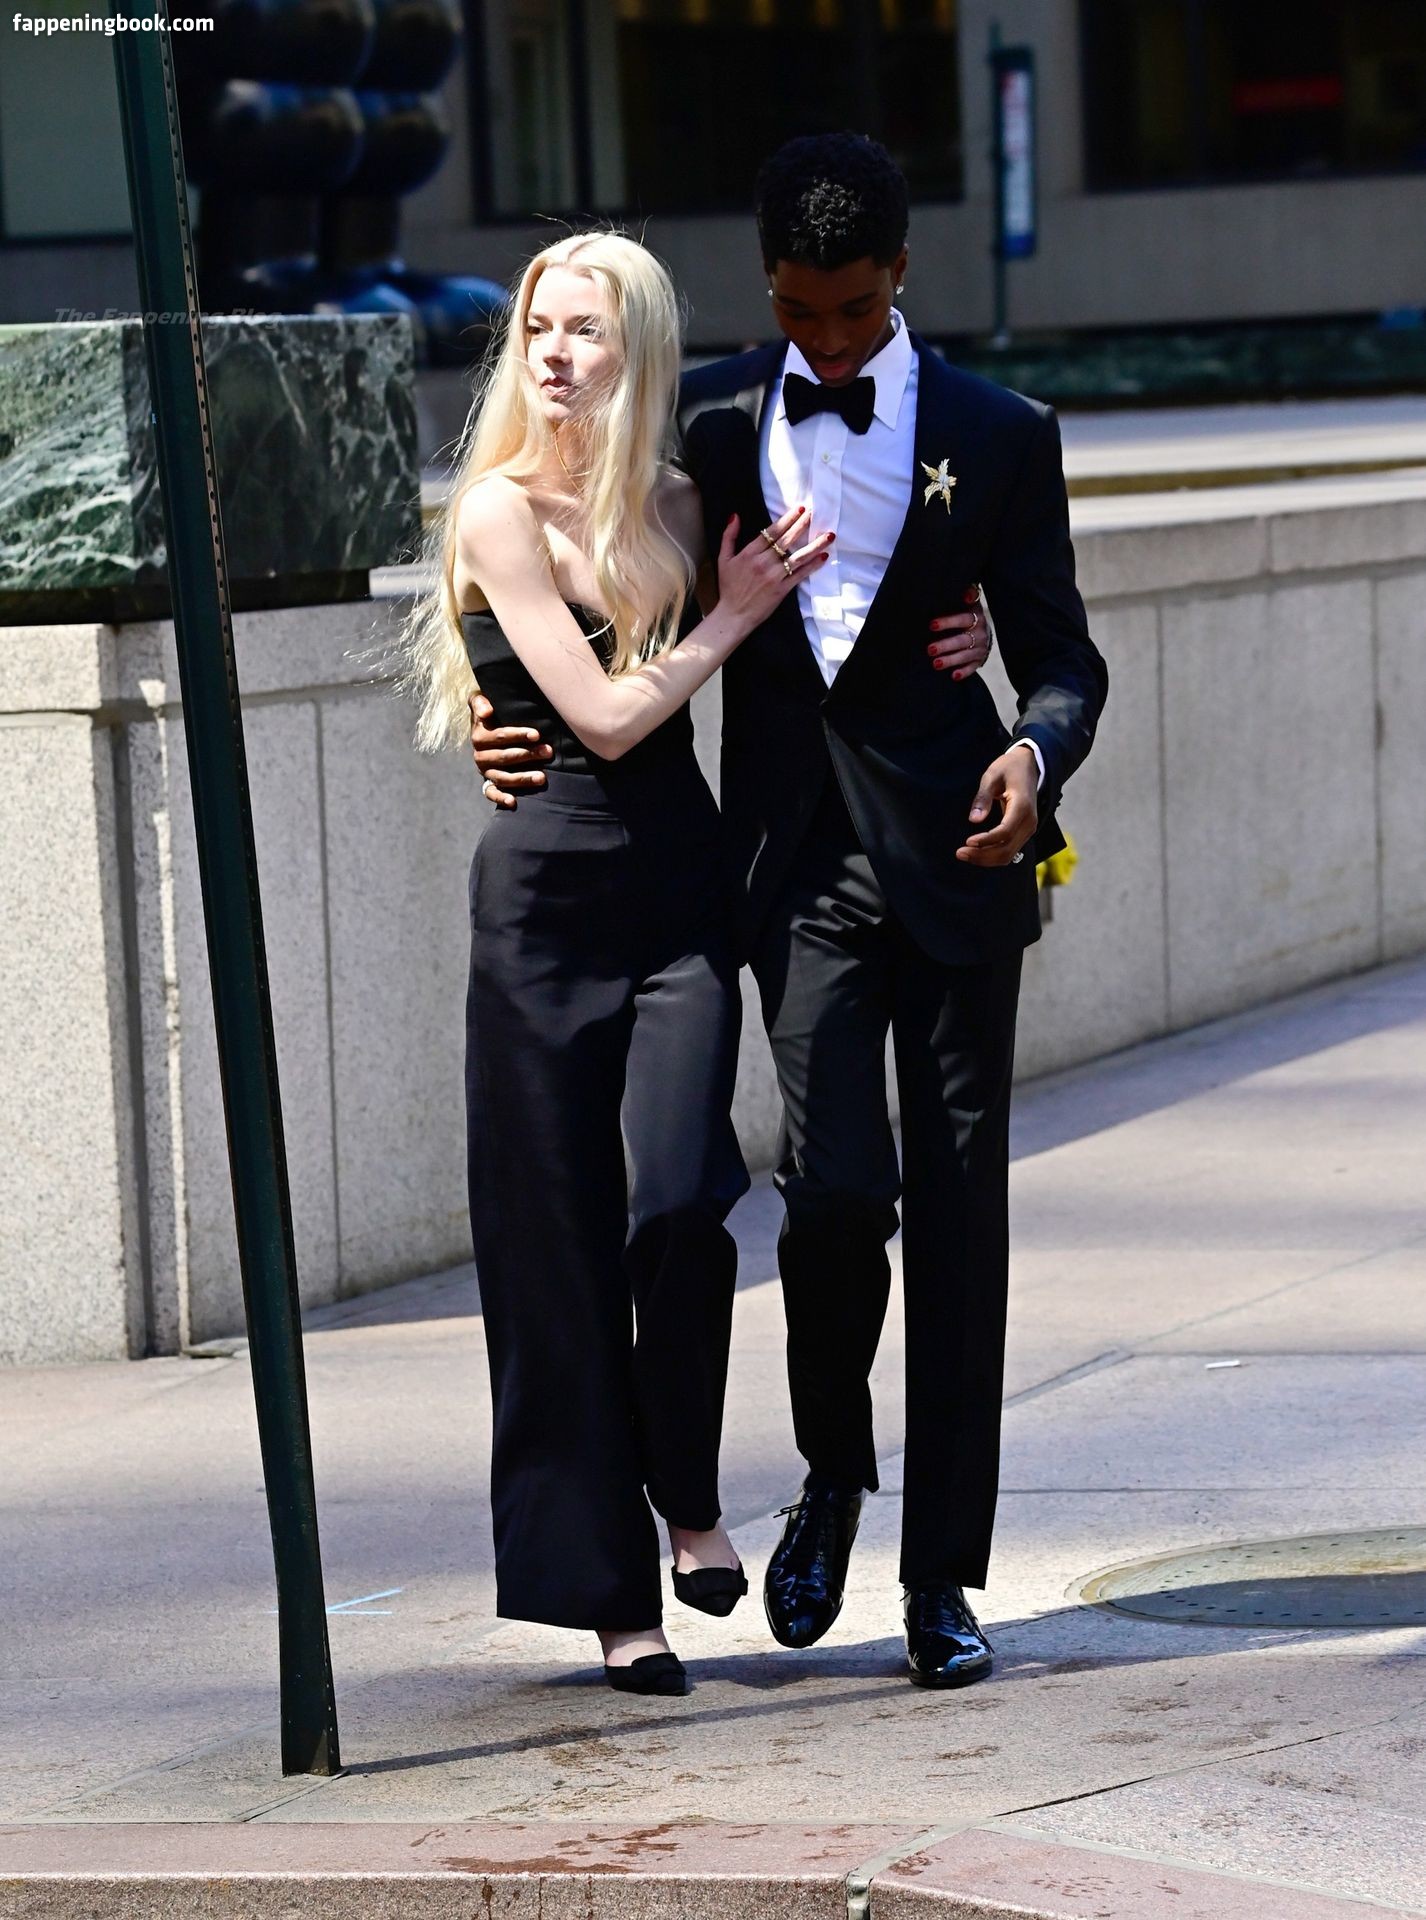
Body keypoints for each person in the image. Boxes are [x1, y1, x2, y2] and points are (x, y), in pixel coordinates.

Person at [473, 137, 1108, 1691]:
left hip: (962, 857)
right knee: (829, 1199)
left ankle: (941, 1578)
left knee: (958, 1220)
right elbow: (600, 582)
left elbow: (1065, 658)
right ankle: (831, 1473)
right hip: (793, 873)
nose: (824, 340)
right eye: (796, 312)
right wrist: (506, 715)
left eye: (853, 311)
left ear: (901, 278)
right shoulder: (704, 427)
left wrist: (1033, 752)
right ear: (765, 289)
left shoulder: (1001, 433)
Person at [399, 230, 836, 1696]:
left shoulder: (687, 496)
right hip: (542, 910)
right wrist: (729, 616)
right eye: (539, 327)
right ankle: (611, 1601)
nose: (555, 352)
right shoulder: (498, 514)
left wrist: (968, 641)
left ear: (638, 347)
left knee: (680, 1201)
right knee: (556, 1250)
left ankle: (687, 1492)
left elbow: (852, 560)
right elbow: (596, 716)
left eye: (585, 329)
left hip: (679, 900)